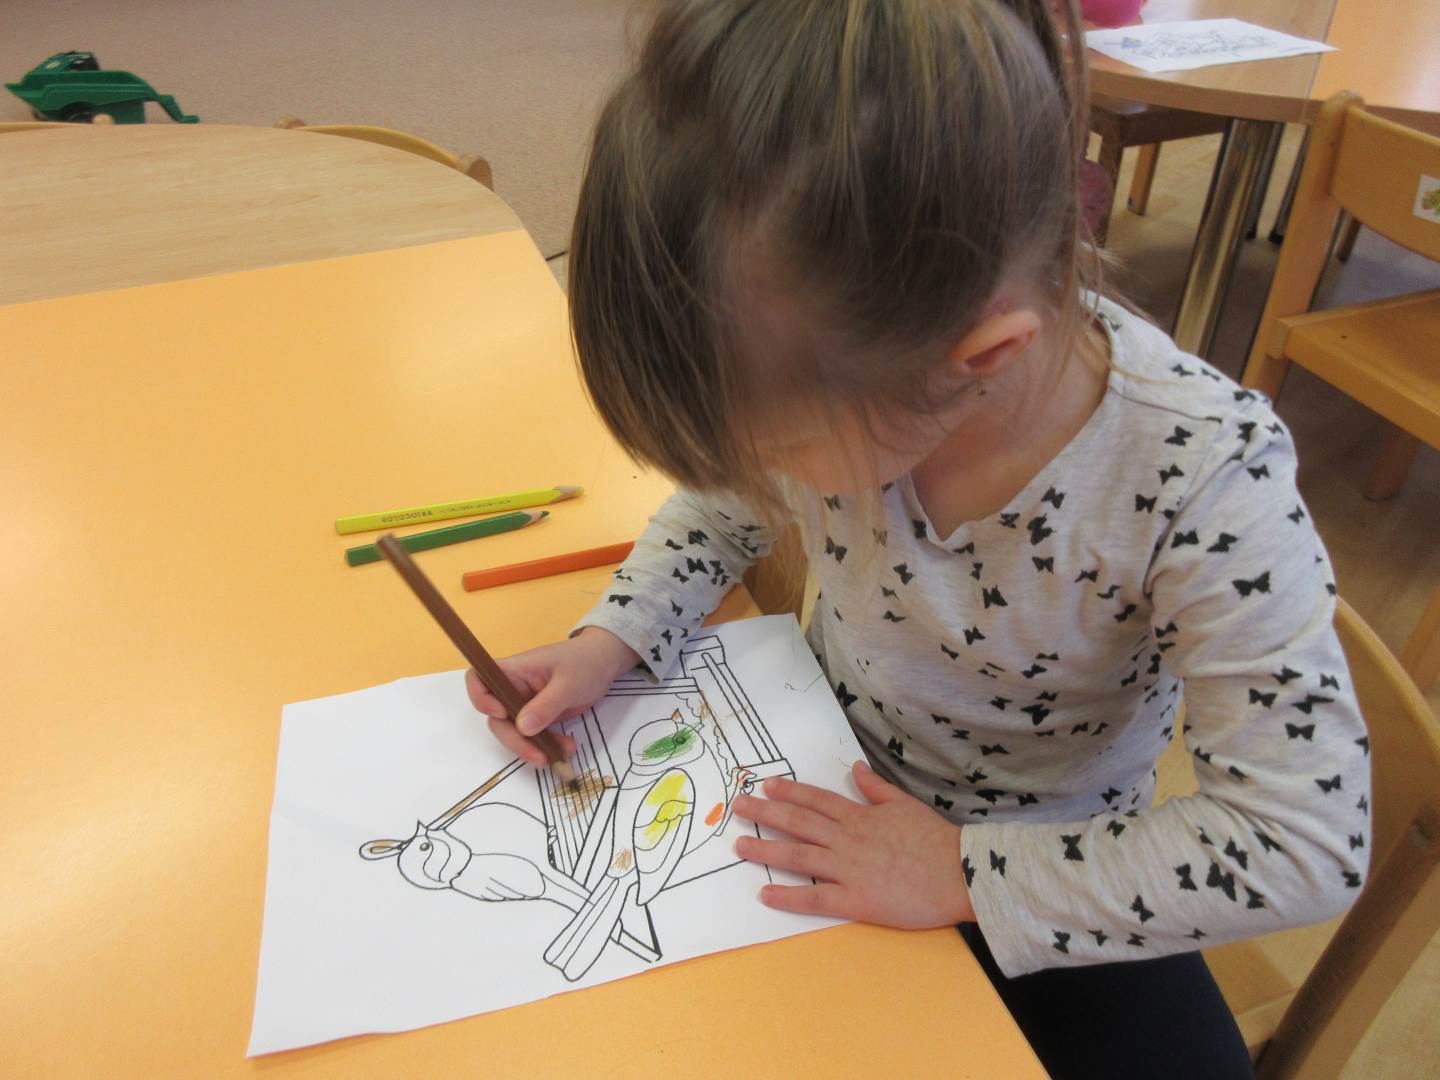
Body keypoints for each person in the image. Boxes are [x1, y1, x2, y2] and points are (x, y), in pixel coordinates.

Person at [468, 3, 1369, 1075]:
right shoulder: (861, 375)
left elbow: (1301, 841)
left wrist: (960, 872)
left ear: (978, 358)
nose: (765, 476)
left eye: (779, 449)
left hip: (1046, 876)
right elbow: (724, 502)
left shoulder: (1201, 475)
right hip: (824, 786)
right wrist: (613, 639)